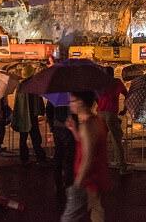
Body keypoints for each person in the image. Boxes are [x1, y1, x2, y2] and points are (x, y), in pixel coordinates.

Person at [62, 91, 110, 222]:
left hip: (89, 177)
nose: (70, 104)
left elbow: (88, 157)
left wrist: (78, 182)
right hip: (96, 173)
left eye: (72, 101)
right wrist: (74, 130)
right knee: (95, 208)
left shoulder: (87, 125)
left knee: (71, 216)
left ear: (81, 102)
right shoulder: (96, 120)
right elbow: (86, 143)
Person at [97, 67, 130, 175]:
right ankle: (122, 168)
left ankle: (100, 166)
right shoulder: (117, 82)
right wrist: (124, 109)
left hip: (100, 113)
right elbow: (126, 94)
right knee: (116, 140)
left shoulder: (100, 83)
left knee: (101, 141)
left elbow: (96, 97)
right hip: (111, 113)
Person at [46, 100, 75, 199]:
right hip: (69, 128)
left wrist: (51, 125)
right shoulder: (72, 94)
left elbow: (49, 110)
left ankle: (58, 182)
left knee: (59, 154)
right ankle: (68, 184)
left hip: (58, 126)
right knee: (69, 157)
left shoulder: (55, 94)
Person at [12, 84, 47, 164]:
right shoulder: (32, 85)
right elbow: (37, 101)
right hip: (29, 117)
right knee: (34, 139)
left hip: (25, 117)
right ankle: (39, 157)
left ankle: (26, 158)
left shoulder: (22, 86)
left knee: (26, 138)